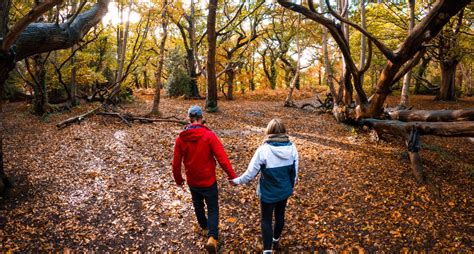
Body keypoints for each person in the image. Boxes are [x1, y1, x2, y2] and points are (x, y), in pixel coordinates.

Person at [172, 105, 237, 253]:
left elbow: (176, 163)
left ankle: (204, 227)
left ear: (189, 119)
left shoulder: (181, 138)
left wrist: (178, 179)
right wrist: (231, 176)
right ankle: (212, 238)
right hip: (208, 180)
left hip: (193, 180)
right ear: (201, 118)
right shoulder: (209, 136)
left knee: (198, 204)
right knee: (213, 208)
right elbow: (222, 158)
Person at [232, 119, 299, 253]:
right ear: (283, 132)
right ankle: (275, 240)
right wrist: (290, 187)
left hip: (268, 193)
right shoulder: (292, 148)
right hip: (284, 191)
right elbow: (295, 174)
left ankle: (267, 250)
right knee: (280, 216)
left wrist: (236, 181)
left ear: (269, 132)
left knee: (266, 220)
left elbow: (250, 174)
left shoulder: (263, 150)